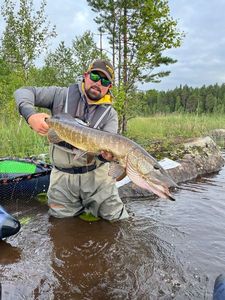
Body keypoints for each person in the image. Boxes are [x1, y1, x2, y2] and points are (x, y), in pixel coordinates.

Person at [14, 59, 129, 221]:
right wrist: (30, 115)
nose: (98, 83)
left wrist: (107, 156)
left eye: (105, 81)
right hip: (62, 178)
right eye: (95, 76)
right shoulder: (60, 95)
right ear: (86, 75)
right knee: (61, 227)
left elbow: (104, 154)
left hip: (97, 178)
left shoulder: (110, 115)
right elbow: (23, 91)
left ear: (109, 87)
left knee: (119, 221)